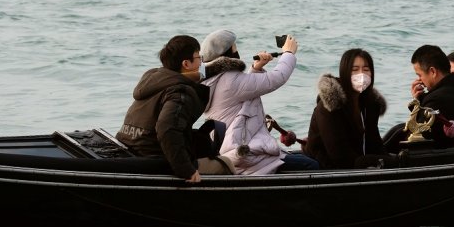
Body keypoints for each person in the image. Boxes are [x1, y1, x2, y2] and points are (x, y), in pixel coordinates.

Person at [201, 29, 318, 173]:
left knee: (306, 161)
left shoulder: (216, 80)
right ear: (227, 53)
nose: (237, 50)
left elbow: (243, 91)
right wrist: (288, 53)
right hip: (247, 156)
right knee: (312, 166)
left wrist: (256, 68)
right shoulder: (230, 81)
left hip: (234, 151)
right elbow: (276, 79)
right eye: (234, 47)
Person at [116, 35, 209, 183]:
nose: (201, 62)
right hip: (153, 157)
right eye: (199, 57)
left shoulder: (153, 79)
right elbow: (167, 128)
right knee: (226, 164)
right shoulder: (179, 92)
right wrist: (186, 170)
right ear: (186, 63)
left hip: (129, 145)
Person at [302, 48, 388, 168]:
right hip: (325, 168)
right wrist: (367, 163)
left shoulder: (370, 103)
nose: (361, 74)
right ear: (344, 72)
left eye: (366, 69)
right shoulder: (329, 107)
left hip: (357, 164)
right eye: (355, 70)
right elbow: (339, 155)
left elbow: (374, 142)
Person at [409, 44, 454, 146]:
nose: (419, 80)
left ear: (433, 71)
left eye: (420, 75)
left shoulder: (435, 99)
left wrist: (417, 103)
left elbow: (418, 134)